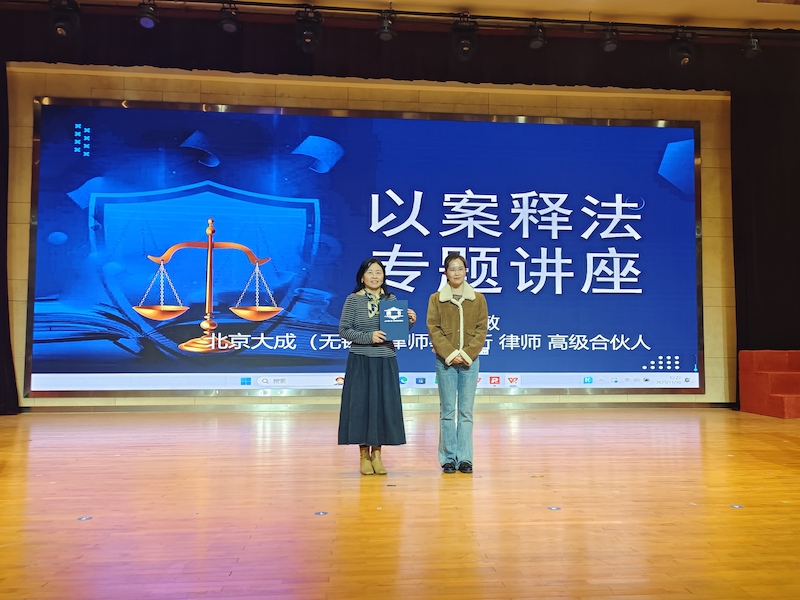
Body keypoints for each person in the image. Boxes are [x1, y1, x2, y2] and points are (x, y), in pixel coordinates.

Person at [338, 258, 417, 475]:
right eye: (370, 272)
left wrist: (409, 322)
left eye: (379, 272)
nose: (375, 276)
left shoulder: (391, 300)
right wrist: (368, 337)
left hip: (385, 360)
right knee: (361, 408)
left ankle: (378, 455)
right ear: (362, 277)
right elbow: (344, 330)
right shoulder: (353, 300)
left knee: (383, 408)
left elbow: (396, 331)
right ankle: (364, 455)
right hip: (361, 361)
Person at [426, 253, 488, 475]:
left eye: (460, 268)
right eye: (452, 269)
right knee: (447, 411)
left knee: (466, 412)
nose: (457, 272)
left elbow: (481, 329)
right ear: (446, 273)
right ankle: (448, 458)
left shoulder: (478, 299)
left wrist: (467, 354)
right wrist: (451, 354)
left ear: (466, 271)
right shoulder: (436, 299)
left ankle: (465, 459)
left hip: (470, 362)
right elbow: (433, 328)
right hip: (445, 362)